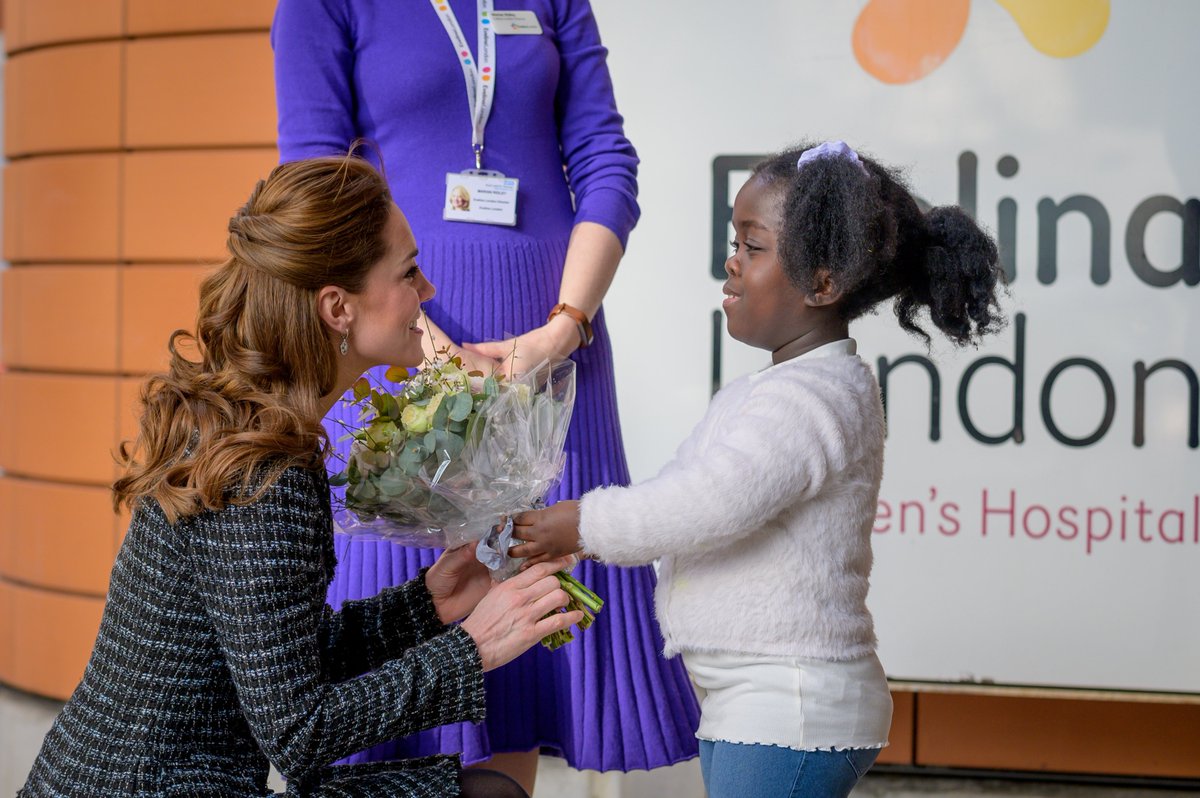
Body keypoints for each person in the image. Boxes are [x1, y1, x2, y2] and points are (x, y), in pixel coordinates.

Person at [19, 155, 582, 798]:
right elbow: (298, 733)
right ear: (338, 307)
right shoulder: (266, 471)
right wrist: (473, 648)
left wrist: (428, 605)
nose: (427, 292)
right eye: (408, 272)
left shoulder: (250, 428)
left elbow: (280, 665)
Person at [271, 0, 699, 790]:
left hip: (551, 347)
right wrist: (435, 354)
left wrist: (564, 328)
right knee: (402, 603)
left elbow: (604, 155)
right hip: (398, 342)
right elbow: (314, 182)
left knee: (523, 621)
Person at [509, 141, 1007, 798]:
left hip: (789, 704)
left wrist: (582, 523)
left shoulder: (812, 400)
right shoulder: (773, 391)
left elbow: (707, 503)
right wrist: (582, 539)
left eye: (753, 246)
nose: (732, 261)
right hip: (757, 701)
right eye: (734, 242)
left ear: (822, 284)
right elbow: (678, 497)